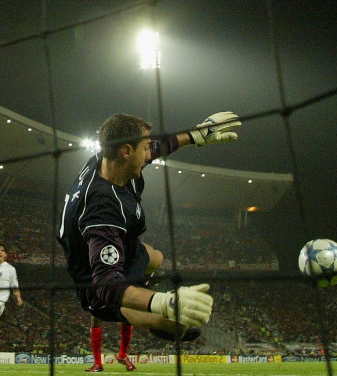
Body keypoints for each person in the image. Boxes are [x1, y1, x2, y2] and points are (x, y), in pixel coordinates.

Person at [57, 112, 240, 348]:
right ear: (126, 151)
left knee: (156, 257)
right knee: (181, 326)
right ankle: (135, 304)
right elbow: (106, 283)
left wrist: (196, 135)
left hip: (118, 241)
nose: (149, 152)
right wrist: (163, 301)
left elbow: (161, 145)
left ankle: (138, 290)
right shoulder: (102, 208)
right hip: (93, 282)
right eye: (144, 147)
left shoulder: (112, 160)